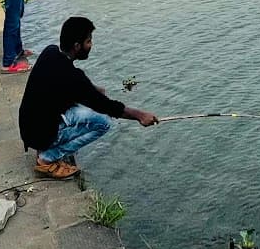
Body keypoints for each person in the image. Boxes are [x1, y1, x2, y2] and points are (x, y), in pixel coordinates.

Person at [19, 16, 157, 179]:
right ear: (77, 46)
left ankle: (45, 147)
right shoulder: (73, 77)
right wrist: (139, 116)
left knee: (84, 105)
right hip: (39, 136)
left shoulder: (50, 52)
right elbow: (108, 107)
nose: (91, 45)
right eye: (88, 41)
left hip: (29, 128)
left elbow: (68, 86)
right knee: (104, 122)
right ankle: (48, 158)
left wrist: (92, 90)